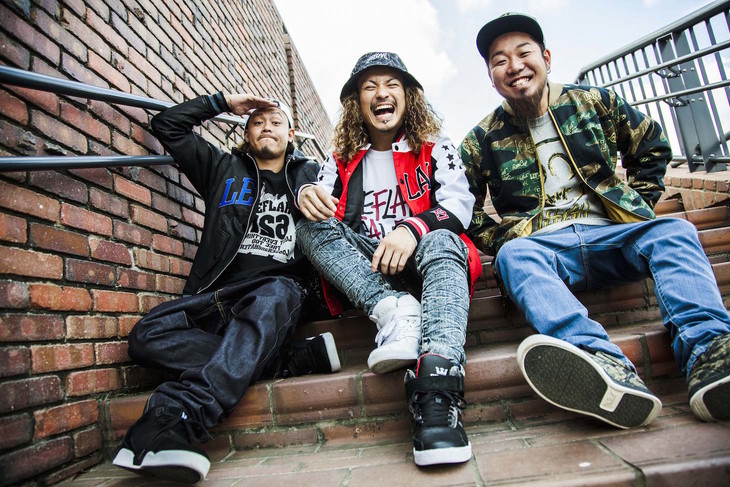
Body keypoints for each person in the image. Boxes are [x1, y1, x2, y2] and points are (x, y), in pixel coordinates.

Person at [460, 13, 730, 430]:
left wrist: (636, 205)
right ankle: (600, 362)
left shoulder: (594, 102)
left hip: (613, 235)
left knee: (675, 230)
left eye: (524, 53)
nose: (514, 66)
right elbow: (463, 205)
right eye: (499, 61)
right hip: (546, 249)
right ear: (491, 77)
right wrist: (504, 236)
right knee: (513, 256)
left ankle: (710, 353)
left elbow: (652, 145)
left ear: (547, 58)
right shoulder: (481, 139)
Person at [112, 93, 341, 484]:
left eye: (276, 121)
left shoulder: (313, 173)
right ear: (246, 134)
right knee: (146, 336)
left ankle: (180, 415)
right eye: (257, 122)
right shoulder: (222, 169)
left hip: (279, 290)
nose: (266, 127)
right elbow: (167, 125)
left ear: (291, 135)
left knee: (274, 295)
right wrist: (222, 103)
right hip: (217, 295)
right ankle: (282, 361)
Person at [296, 52, 482, 466]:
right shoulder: (340, 157)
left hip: (427, 265)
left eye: (391, 84)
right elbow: (322, 205)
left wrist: (412, 228)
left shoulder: (435, 146)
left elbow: (460, 205)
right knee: (306, 225)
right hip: (370, 273)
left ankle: (438, 387)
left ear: (408, 95)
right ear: (357, 103)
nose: (381, 93)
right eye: (370, 86)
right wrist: (306, 194)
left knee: (443, 240)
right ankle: (395, 311)